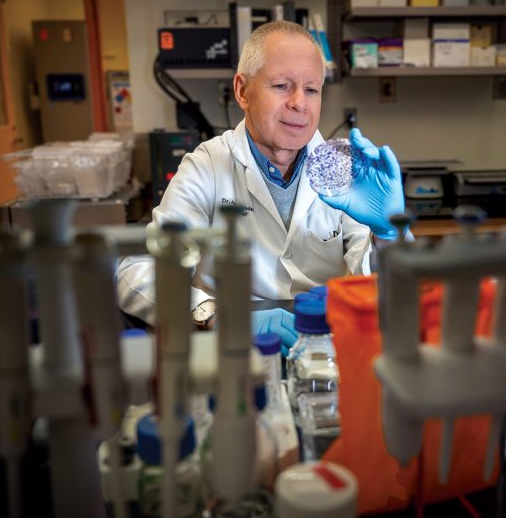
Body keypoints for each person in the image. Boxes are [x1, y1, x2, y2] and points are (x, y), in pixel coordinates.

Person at [116, 20, 405, 354]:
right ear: (242, 91)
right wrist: (214, 315)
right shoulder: (208, 166)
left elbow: (381, 287)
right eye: (282, 86)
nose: (300, 103)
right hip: (233, 348)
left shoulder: (342, 171)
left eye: (312, 90)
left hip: (322, 345)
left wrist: (387, 235)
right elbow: (137, 271)